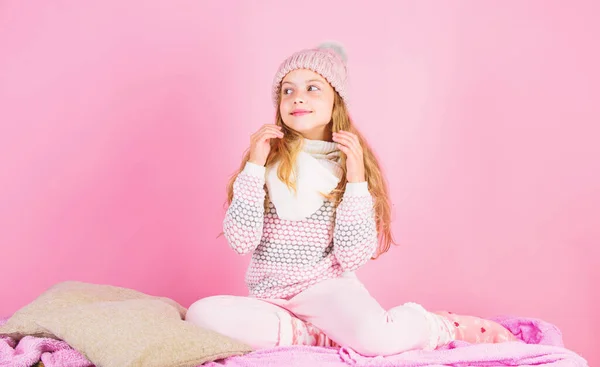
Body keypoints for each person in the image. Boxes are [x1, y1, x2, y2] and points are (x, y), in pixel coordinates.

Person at [185, 43, 517, 356]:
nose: (298, 98)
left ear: (335, 101)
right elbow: (242, 241)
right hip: (269, 297)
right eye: (288, 90)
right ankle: (316, 335)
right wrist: (254, 166)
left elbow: (353, 256)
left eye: (312, 88)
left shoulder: (348, 164)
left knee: (377, 339)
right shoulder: (265, 161)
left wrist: (357, 182)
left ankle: (442, 326)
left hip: (327, 291)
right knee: (201, 314)